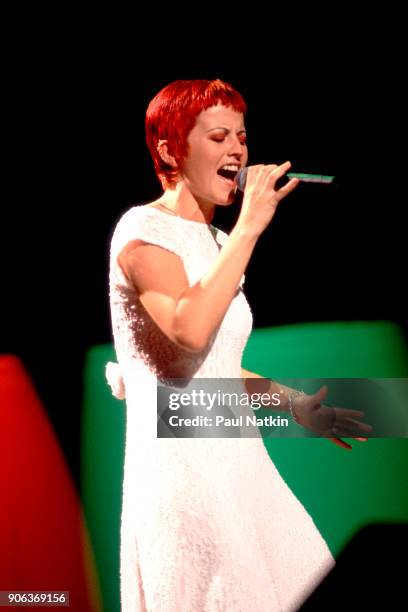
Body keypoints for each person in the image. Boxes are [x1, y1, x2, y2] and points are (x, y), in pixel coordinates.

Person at [106, 79, 372, 611]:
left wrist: (298, 409)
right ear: (170, 150)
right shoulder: (142, 230)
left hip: (240, 464)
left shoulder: (220, 243)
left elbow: (214, 372)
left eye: (243, 137)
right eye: (219, 136)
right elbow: (188, 330)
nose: (238, 150)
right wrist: (251, 227)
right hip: (182, 473)